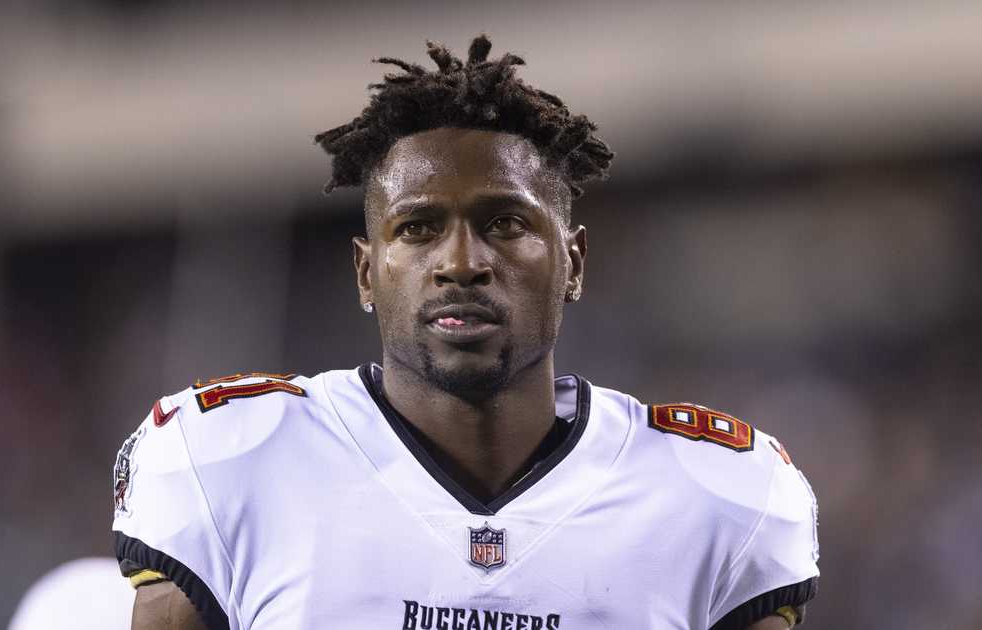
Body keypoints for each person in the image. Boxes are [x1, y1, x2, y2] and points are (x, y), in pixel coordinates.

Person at [112, 35, 819, 630]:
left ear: (573, 261)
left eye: (505, 224)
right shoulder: (234, 464)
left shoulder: (715, 495)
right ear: (367, 272)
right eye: (418, 228)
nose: (461, 263)